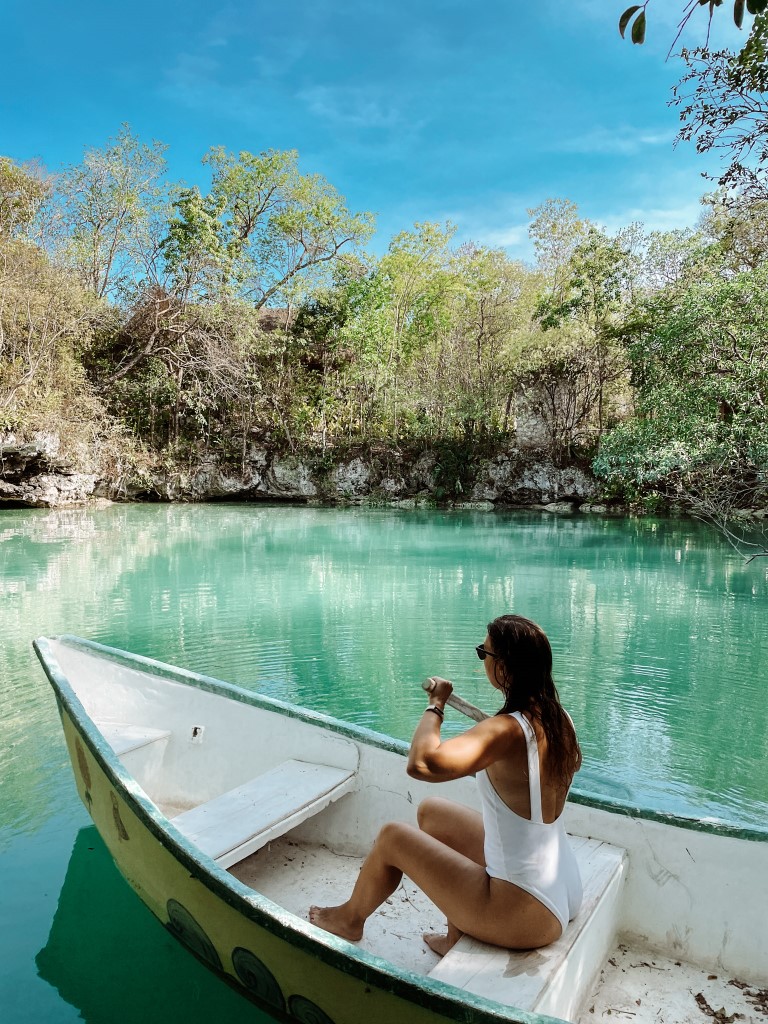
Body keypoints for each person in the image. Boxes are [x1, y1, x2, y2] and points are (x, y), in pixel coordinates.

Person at [309, 614, 583, 954]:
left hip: (524, 910)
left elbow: (422, 763)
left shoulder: (506, 730)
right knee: (432, 813)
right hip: (562, 887)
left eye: (485, 653)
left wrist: (436, 704)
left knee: (393, 838)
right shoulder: (560, 719)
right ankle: (455, 936)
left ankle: (350, 920)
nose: (482, 659)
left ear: (505, 669)